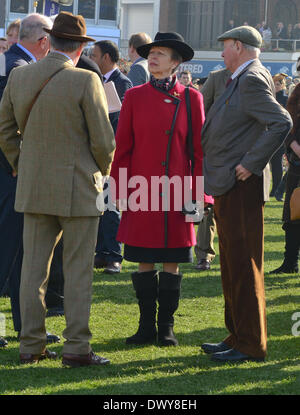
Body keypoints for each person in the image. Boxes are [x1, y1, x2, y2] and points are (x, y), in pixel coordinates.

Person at [0, 11, 115, 366]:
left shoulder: (19, 76)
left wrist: (23, 165)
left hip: (33, 187)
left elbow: (5, 131)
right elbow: (103, 141)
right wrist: (101, 172)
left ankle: (30, 344)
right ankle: (77, 347)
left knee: (33, 270)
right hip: (78, 188)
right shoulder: (85, 80)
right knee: (78, 271)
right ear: (80, 47)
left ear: (49, 42)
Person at [200, 26, 292, 363]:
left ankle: (251, 343)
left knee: (243, 264)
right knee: (232, 264)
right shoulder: (241, 76)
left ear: (239, 46)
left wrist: (251, 164)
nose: (222, 52)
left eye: (224, 46)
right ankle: (237, 335)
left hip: (241, 185)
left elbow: (281, 122)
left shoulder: (251, 78)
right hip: (230, 184)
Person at [110, 32, 207, 347]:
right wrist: (118, 190)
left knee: (172, 261)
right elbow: (122, 148)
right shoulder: (135, 96)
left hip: (179, 193)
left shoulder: (192, 98)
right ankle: (144, 327)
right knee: (143, 260)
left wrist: (200, 196)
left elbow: (199, 153)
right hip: (142, 192)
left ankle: (166, 327)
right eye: (151, 53)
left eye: (161, 53)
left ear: (176, 62)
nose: (153, 58)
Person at [0, 13, 62, 347]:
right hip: (13, 174)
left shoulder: (9, 63)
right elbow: (6, 126)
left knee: (22, 253)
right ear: (43, 41)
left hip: (12, 172)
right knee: (8, 252)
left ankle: (26, 326)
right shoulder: (18, 69)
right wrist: (19, 164)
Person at [91, 40, 133, 274]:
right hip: (99, 153)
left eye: (95, 55)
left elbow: (120, 122)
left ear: (106, 58)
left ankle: (114, 255)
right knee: (100, 205)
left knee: (111, 206)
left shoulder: (121, 82)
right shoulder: (99, 80)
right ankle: (102, 252)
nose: (92, 59)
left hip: (113, 154)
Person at [194, 68, 231, 271]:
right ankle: (204, 254)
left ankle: (235, 254)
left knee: (234, 209)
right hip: (213, 153)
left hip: (242, 157)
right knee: (207, 207)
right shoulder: (217, 78)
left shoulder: (257, 77)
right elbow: (199, 110)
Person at [270, 84, 300, 274]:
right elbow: (286, 126)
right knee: (293, 219)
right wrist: (294, 144)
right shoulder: (296, 95)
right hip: (297, 169)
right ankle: (290, 263)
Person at [270, 73, 289, 200]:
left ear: (283, 85)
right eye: (274, 83)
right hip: (268, 132)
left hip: (281, 135)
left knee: (277, 164)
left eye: (278, 84)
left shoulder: (286, 99)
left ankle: (277, 189)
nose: (276, 86)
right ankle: (272, 189)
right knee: (269, 163)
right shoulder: (269, 96)